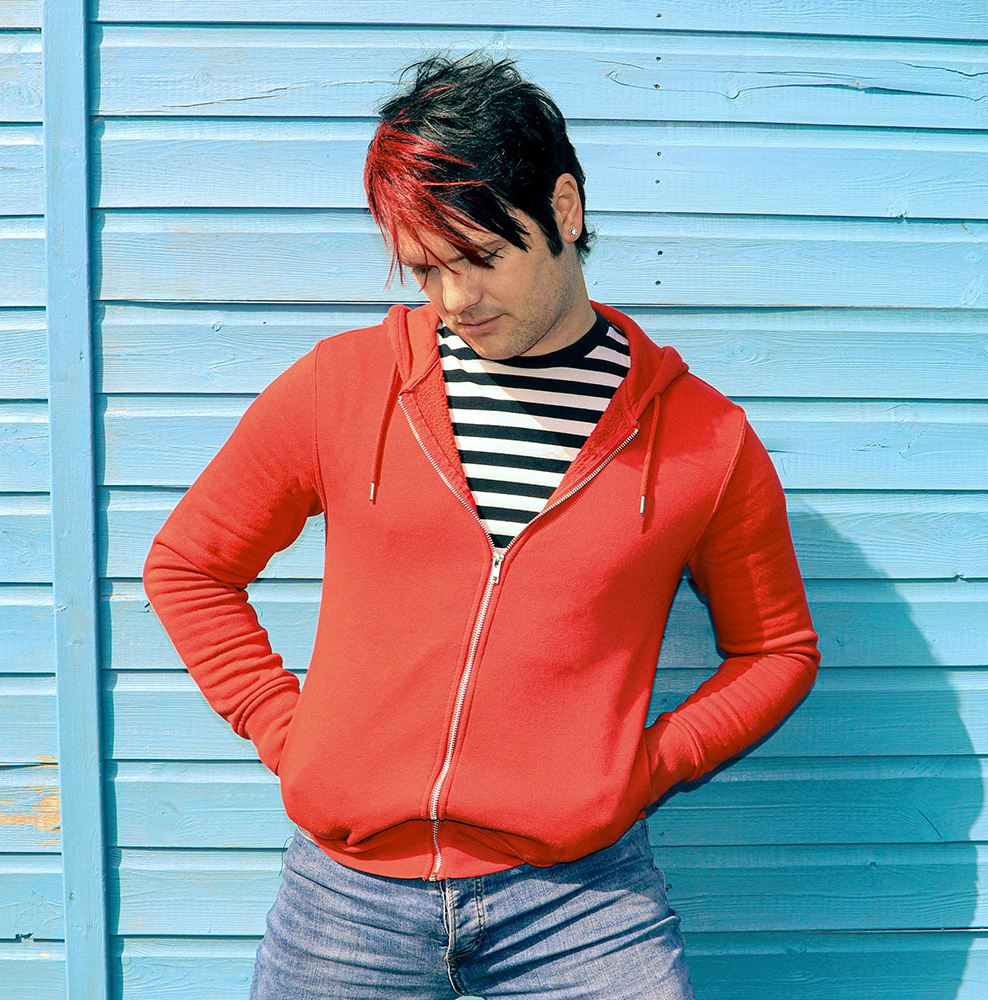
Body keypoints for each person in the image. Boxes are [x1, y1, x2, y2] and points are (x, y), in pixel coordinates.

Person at [143, 53, 820, 1000]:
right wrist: (293, 734)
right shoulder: (343, 387)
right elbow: (188, 565)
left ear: (565, 212)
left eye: (479, 258)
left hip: (582, 906)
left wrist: (643, 767)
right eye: (426, 268)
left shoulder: (704, 438)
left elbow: (777, 648)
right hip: (344, 903)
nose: (454, 301)